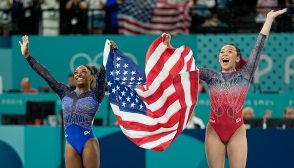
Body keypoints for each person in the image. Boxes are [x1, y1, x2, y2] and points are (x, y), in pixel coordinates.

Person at [162, 9, 287, 167]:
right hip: (214, 130)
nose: (224, 53)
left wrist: (268, 19)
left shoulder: (246, 74)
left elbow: (259, 46)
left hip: (237, 130)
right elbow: (185, 67)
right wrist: (169, 49)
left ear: (236, 58)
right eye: (222, 52)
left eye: (229, 51)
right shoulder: (210, 75)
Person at [19, 35, 106, 168]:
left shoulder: (96, 94)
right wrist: (28, 57)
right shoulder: (64, 92)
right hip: (70, 143)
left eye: (83, 71)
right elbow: (46, 75)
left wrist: (109, 52)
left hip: (88, 141)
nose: (78, 74)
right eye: (76, 72)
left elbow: (103, 74)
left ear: (92, 77)